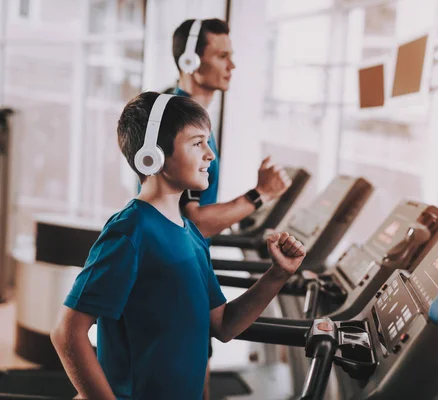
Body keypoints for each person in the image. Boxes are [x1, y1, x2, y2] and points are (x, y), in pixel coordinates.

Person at [50, 92, 306, 400]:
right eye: (197, 143)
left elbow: (224, 325)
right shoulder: (130, 231)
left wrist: (277, 275)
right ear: (153, 155)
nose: (209, 155)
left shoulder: (191, 234)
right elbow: (67, 332)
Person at [172, 18, 291, 238]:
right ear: (190, 61)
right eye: (222, 56)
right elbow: (194, 222)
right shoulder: (181, 120)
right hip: (175, 263)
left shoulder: (189, 114)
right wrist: (261, 193)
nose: (232, 66)